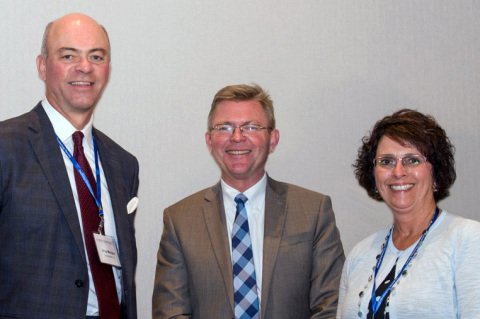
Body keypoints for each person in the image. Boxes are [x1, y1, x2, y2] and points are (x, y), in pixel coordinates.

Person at [152, 83, 345, 319]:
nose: (237, 137)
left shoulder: (314, 211)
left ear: (273, 140)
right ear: (210, 141)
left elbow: (331, 306)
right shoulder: (179, 220)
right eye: (224, 128)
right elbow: (170, 312)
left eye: (250, 127)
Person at [0, 13, 139, 319]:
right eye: (68, 55)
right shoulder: (6, 147)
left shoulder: (123, 164)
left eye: (96, 56)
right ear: (42, 66)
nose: (85, 66)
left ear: (107, 69)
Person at [337, 109, 480, 318]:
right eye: (386, 161)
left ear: (436, 173)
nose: (398, 172)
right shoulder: (360, 254)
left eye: (412, 160)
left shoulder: (468, 241)